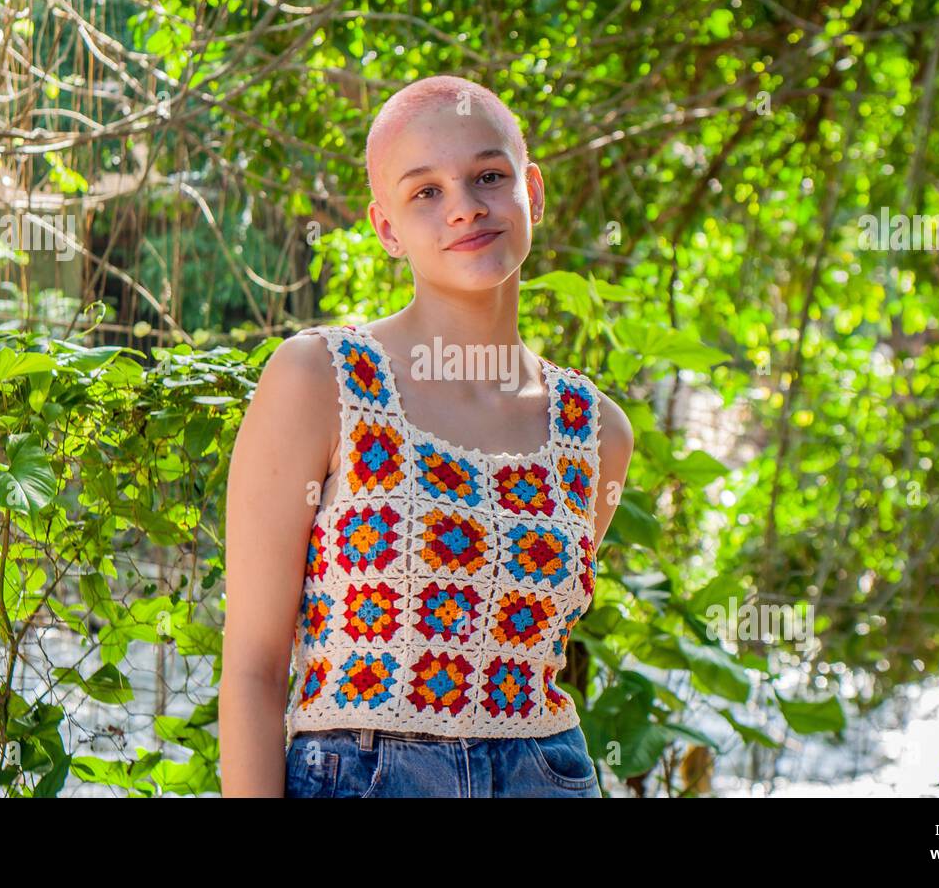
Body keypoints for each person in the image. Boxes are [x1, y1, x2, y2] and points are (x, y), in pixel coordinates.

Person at [220, 75, 634, 797]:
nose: (465, 207)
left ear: (531, 191)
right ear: (386, 228)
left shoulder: (594, 431)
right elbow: (253, 670)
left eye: (488, 176)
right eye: (426, 191)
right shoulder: (322, 380)